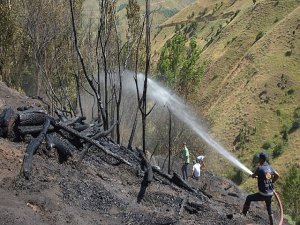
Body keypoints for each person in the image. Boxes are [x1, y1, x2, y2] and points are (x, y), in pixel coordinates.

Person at [242, 152, 279, 225]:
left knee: (248, 198)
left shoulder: (259, 168)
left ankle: (242, 215)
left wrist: (252, 175)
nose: (258, 159)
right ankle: (272, 223)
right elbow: (277, 175)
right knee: (269, 207)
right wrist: (271, 182)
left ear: (261, 159)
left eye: (259, 158)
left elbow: (253, 176)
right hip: (270, 193)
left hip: (263, 194)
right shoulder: (270, 167)